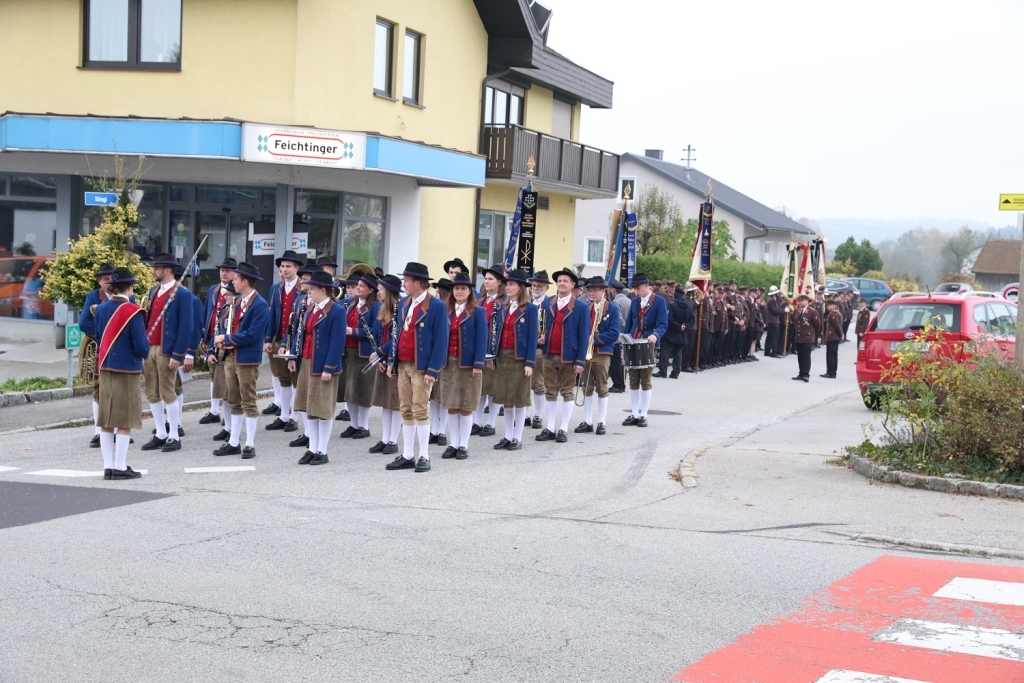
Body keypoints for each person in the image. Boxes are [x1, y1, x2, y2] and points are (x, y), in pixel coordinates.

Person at [386, 262, 450, 473]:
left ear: (417, 283)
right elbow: (397, 335)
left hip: (422, 366)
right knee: (405, 408)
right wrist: (391, 361)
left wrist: (433, 370)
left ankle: (424, 455)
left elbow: (441, 340)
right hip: (403, 363)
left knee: (420, 409)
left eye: (406, 280)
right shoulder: (404, 303)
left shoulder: (437, 306)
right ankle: (407, 454)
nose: (403, 284)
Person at [94, 268, 150, 480]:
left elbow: (99, 338)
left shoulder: (100, 309)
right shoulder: (134, 311)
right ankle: (120, 466)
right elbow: (141, 347)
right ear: (129, 287)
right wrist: (146, 349)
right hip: (127, 369)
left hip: (106, 367)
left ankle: (108, 467)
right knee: (125, 420)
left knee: (107, 420)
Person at [213, 262, 270, 458]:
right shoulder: (237, 301)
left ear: (245, 282)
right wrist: (224, 340)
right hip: (231, 356)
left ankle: (250, 444)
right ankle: (234, 441)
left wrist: (227, 338)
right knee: (233, 400)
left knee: (248, 401)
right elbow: (230, 326)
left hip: (247, 359)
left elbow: (253, 335)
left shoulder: (260, 304)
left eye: (236, 279)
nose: (233, 282)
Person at [289, 270, 346, 466]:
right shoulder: (310, 309)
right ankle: (312, 448)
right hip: (306, 362)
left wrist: (329, 367)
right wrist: (293, 356)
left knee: (323, 408)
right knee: (309, 408)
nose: (309, 292)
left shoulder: (336, 311)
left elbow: (337, 342)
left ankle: (322, 450)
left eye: (312, 289)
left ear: (323, 290)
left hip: (322, 364)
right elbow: (301, 334)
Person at [140, 254, 193, 453]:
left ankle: (174, 435)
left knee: (168, 391)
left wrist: (178, 354)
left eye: (157, 268)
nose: (154, 271)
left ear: (168, 270)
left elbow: (186, 327)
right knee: (152, 392)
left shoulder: (182, 294)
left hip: (166, 349)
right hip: (150, 347)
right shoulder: (153, 291)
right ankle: (161, 433)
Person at [536, 268, 590, 443]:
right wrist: (541, 336)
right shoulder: (547, 303)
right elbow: (541, 326)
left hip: (569, 355)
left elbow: (584, 336)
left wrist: (580, 360)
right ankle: (550, 427)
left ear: (572, 285)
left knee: (567, 392)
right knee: (550, 391)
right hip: (549, 354)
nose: (561, 284)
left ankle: (563, 428)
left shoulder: (581, 307)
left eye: (565, 281)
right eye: (559, 281)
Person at [439, 271, 487, 460]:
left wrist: (478, 364)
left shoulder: (478, 312)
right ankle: (453, 443)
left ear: (469, 291)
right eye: (456, 288)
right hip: (448, 363)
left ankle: (463, 445)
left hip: (468, 364)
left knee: (466, 405)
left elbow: (482, 340)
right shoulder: (445, 310)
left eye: (463, 289)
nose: (459, 292)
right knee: (451, 405)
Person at [490, 269, 538, 451]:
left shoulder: (530, 309)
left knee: (519, 398)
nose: (507, 287)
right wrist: (492, 356)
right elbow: (495, 334)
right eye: (507, 284)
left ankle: (517, 437)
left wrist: (529, 362)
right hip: (503, 357)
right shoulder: (503, 307)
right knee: (506, 399)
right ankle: (508, 436)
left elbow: (532, 337)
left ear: (520, 287)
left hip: (519, 358)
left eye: (511, 284)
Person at [263, 250, 305, 431]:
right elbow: (272, 315)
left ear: (296, 268)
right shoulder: (276, 288)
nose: (285, 269)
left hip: (296, 340)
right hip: (279, 338)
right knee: (283, 377)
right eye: (282, 266)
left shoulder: (303, 287)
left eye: (288, 266)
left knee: (295, 377)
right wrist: (268, 338)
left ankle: (294, 417)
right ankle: (284, 415)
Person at [575, 277, 619, 435]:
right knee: (586, 386)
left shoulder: (612, 309)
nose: (592, 293)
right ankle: (588, 421)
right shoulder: (587, 308)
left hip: (602, 352)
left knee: (602, 386)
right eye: (590, 291)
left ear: (603, 291)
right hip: (586, 352)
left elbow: (614, 332)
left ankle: (601, 421)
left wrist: (596, 339)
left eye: (595, 290)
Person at [339, 272, 381, 440]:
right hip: (348, 351)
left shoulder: (376, 307)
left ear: (371, 290)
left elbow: (376, 331)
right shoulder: (350, 303)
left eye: (361, 286)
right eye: (358, 285)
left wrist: (354, 331)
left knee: (363, 389)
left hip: (364, 353)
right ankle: (354, 424)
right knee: (349, 390)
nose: (357, 288)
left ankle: (364, 426)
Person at [623, 273, 667, 427]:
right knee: (633, 379)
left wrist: (655, 335)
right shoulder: (634, 301)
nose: (636, 291)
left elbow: (663, 324)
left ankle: (644, 414)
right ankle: (635, 413)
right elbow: (629, 324)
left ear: (647, 286)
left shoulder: (659, 301)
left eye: (638, 288)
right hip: (633, 342)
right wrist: (624, 345)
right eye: (634, 288)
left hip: (649, 343)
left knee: (645, 379)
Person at [79, 262, 115, 448]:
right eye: (105, 279)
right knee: (98, 389)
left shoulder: (126, 296)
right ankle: (98, 431)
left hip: (117, 349)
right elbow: (84, 322)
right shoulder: (92, 297)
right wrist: (102, 336)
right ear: (99, 281)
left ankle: (116, 430)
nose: (109, 282)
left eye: (112, 279)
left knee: (117, 389)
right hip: (99, 347)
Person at [198, 257, 236, 427]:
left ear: (234, 274)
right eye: (222, 270)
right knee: (213, 374)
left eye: (228, 271)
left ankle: (227, 415)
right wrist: (204, 337)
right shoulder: (213, 289)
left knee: (225, 377)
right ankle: (214, 410)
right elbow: (207, 313)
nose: (224, 273)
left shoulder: (236, 291)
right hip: (211, 336)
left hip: (225, 339)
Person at [369, 275, 403, 456]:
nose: (378, 292)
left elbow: (398, 337)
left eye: (381, 289)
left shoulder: (400, 309)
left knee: (395, 402)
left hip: (395, 360)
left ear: (388, 291)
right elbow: (376, 336)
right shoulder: (381, 309)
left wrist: (380, 352)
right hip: (383, 358)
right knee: (385, 402)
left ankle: (393, 440)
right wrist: (378, 358)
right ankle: (385, 438)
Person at [474, 264, 506, 436]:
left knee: (494, 388)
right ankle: (477, 421)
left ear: (499, 282)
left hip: (496, 349)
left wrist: (494, 353)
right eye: (485, 278)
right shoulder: (480, 300)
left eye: (491, 279)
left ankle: (491, 423)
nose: (486, 281)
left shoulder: (504, 301)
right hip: (480, 347)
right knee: (480, 388)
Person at [205, 280, 236, 443]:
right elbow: (216, 332)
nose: (226, 297)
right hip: (221, 353)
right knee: (224, 394)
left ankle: (233, 430)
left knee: (232, 395)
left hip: (233, 353)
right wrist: (211, 350)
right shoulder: (223, 310)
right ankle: (227, 427)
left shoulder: (238, 311)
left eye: (229, 294)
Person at [429, 278, 453, 446]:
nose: (436, 295)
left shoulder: (450, 311)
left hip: (448, 357)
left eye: (439, 292)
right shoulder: (435, 309)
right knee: (433, 396)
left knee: (443, 396)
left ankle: (442, 431)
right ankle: (434, 430)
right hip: (434, 356)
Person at [528, 270, 552, 426]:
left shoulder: (549, 304)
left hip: (539, 347)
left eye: (540, 286)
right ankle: (524, 414)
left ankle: (537, 414)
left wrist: (546, 336)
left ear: (546, 288)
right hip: (524, 346)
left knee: (538, 382)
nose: (536, 288)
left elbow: (554, 325)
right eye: (534, 285)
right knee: (523, 383)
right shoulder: (526, 301)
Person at [657, 285, 695, 378]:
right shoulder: (688, 306)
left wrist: (678, 326)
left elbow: (669, 318)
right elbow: (692, 319)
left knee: (665, 352)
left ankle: (663, 371)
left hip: (671, 332)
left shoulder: (672, 305)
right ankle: (675, 373)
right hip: (682, 333)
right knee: (678, 354)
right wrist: (685, 326)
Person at [791, 294, 821, 382]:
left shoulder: (812, 312)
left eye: (802, 301)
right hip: (799, 337)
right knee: (800, 356)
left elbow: (817, 325)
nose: (800, 302)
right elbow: (795, 322)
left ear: (807, 301)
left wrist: (812, 334)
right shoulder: (798, 310)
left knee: (806, 356)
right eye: (799, 301)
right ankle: (801, 373)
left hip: (808, 338)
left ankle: (806, 374)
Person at [609, 280, 630, 392]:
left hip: (618, 335)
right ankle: (621, 383)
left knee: (616, 361)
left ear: (614, 290)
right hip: (627, 335)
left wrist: (623, 329)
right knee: (621, 361)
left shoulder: (615, 302)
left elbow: (619, 319)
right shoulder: (628, 300)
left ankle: (618, 384)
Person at [821, 297, 844, 379]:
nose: (827, 307)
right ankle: (832, 372)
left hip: (833, 337)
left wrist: (841, 334)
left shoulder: (834, 314)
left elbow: (837, 326)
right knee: (833, 355)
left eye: (829, 305)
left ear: (833, 306)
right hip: (834, 337)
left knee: (831, 355)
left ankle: (831, 372)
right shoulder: (835, 313)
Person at [763, 286, 783, 358]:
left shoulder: (775, 300)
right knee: (775, 336)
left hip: (773, 320)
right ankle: (774, 352)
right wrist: (784, 311)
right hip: (772, 320)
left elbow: (780, 302)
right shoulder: (771, 301)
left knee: (770, 336)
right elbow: (775, 311)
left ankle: (767, 351)